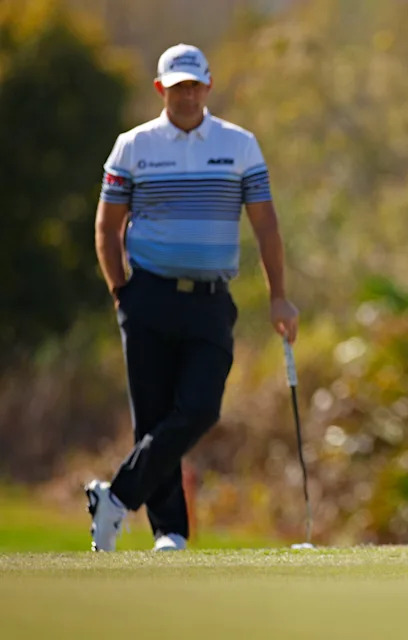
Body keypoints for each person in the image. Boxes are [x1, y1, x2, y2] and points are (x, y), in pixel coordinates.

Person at [88, 43, 299, 552]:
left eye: (194, 85)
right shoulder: (133, 146)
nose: (186, 94)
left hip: (210, 298)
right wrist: (122, 292)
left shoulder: (240, 144)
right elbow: (107, 226)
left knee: (201, 407)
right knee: (154, 417)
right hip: (149, 294)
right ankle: (171, 533)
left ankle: (114, 497)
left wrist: (279, 297)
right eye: (176, 86)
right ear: (161, 89)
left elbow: (265, 224)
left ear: (208, 87)